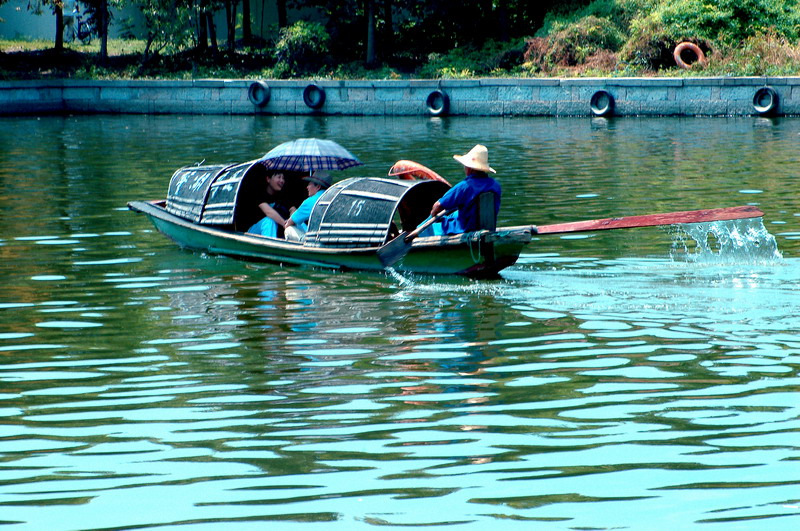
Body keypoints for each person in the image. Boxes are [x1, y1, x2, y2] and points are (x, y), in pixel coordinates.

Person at [424, 144, 501, 236]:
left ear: (469, 169)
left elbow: (437, 207)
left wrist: (433, 215)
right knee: (454, 214)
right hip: (488, 226)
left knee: (429, 227)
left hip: (465, 229)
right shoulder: (495, 185)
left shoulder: (465, 186)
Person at [284, 170, 332, 241]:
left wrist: (288, 223)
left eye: (309, 184)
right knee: (300, 223)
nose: (307, 187)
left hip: (314, 241)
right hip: (330, 238)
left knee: (288, 229)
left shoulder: (310, 201)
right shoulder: (332, 198)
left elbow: (289, 223)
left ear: (318, 187)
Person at [246, 171, 289, 237]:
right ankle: (269, 246)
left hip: (276, 231)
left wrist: (293, 221)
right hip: (253, 232)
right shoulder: (259, 193)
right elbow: (268, 212)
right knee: (269, 221)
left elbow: (292, 209)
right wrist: (285, 224)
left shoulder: (281, 196)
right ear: (268, 179)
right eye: (279, 177)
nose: (282, 180)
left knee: (298, 221)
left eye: (283, 178)